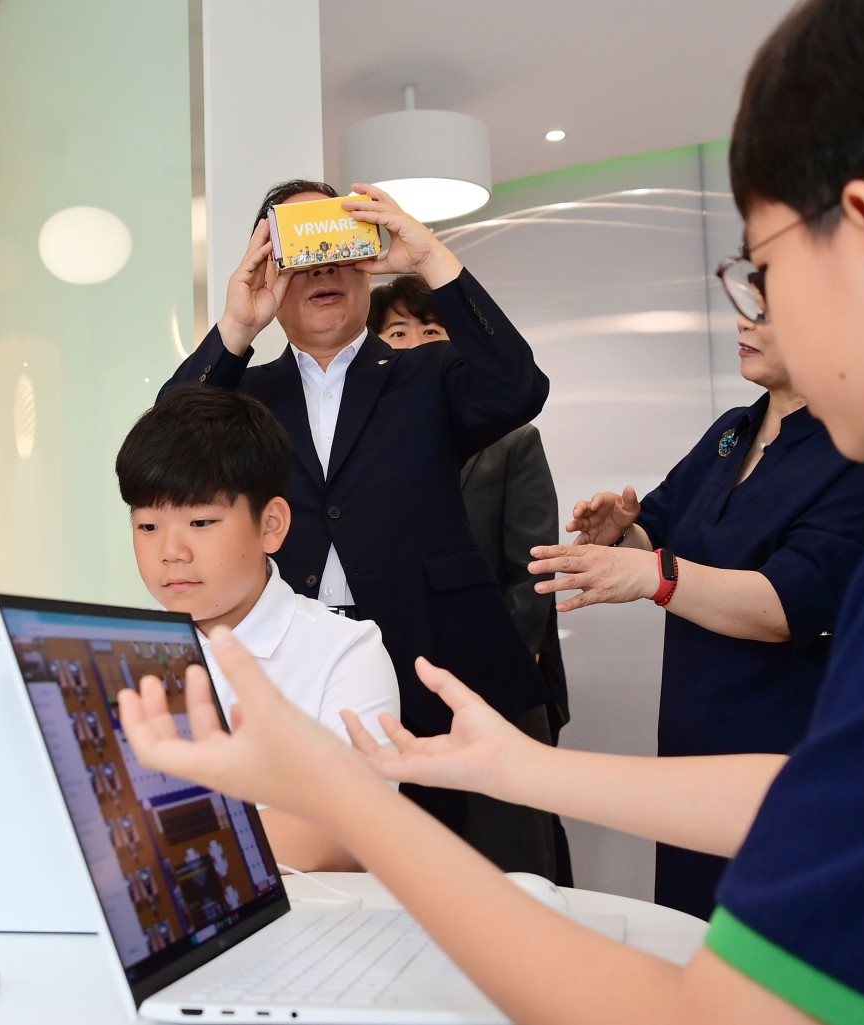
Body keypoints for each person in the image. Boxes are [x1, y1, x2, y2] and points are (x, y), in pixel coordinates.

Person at [116, 0, 864, 1021]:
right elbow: (854, 796)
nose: (756, 310)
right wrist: (524, 765)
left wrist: (345, 802)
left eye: (762, 272)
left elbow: (714, 1012)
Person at [164, 180, 558, 874]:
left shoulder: (428, 371)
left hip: (440, 659)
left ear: (366, 262)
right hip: (301, 665)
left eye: (337, 247)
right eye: (300, 253)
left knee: (474, 876)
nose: (322, 271)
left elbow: (519, 387)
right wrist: (235, 329)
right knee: (333, 867)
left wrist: (428, 257)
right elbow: (166, 450)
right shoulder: (245, 395)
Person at [527, 309, 864, 917]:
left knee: (772, 937)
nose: (743, 324)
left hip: (788, 753)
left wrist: (654, 575)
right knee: (692, 926)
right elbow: (662, 533)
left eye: (765, 311)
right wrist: (623, 535)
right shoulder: (734, 430)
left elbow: (784, 604)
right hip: (694, 745)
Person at [115, 384, 399, 871]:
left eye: (201, 523)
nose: (170, 552)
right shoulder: (115, 651)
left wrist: (146, 846)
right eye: (147, 527)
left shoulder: (345, 651)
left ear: (271, 525)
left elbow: (353, 827)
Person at [369, 274, 575, 885]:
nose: (414, 343)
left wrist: (496, 653)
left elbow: (533, 565)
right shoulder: (366, 447)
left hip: (495, 667)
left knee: (511, 845)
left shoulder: (512, 440)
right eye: (397, 332)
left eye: (431, 330)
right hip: (399, 671)